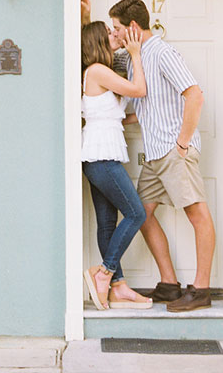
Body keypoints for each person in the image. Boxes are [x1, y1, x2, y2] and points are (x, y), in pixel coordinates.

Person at [107, 0, 216, 313]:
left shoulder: (163, 52)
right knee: (141, 214)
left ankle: (202, 290)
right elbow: (145, 109)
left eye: (116, 28)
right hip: (154, 155)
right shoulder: (134, 57)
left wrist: (182, 144)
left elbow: (195, 96)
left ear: (132, 26)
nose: (113, 33)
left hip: (173, 149)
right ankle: (169, 284)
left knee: (197, 215)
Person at [80, 19, 153, 311]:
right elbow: (139, 90)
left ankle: (118, 287)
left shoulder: (100, 73)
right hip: (101, 157)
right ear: (97, 40)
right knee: (136, 213)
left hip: (101, 155)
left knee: (108, 223)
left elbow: (117, 116)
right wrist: (135, 52)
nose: (114, 35)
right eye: (108, 33)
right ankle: (105, 272)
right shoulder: (97, 71)